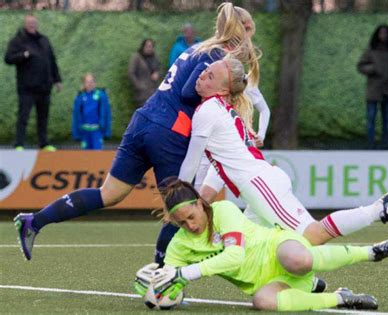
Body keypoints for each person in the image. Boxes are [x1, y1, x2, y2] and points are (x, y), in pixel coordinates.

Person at [13, 3, 261, 264]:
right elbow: (191, 91)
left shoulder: (195, 49)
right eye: (249, 32)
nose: (250, 39)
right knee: (180, 205)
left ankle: (33, 221)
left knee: (108, 194)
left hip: (144, 120)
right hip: (169, 131)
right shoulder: (217, 57)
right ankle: (161, 276)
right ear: (241, 30)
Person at [178, 57, 388, 250]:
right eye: (206, 71)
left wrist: (178, 198)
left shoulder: (208, 110)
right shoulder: (219, 109)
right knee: (241, 248)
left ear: (223, 89)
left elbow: (192, 160)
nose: (202, 75)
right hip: (259, 186)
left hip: (261, 187)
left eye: (210, 76)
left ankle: (379, 209)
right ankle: (309, 285)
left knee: (313, 235)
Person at [134, 179, 388, 311]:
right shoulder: (179, 246)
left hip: (279, 248)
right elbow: (170, 281)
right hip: (266, 282)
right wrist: (158, 288)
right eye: (182, 224)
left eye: (191, 217)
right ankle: (341, 298)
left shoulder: (224, 210)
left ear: (199, 203)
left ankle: (371, 253)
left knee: (297, 259)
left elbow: (235, 257)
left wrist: (182, 274)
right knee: (262, 302)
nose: (190, 226)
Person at [4, 14, 62, 152]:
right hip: (27, 88)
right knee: (23, 117)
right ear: (25, 24)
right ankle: (19, 143)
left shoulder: (44, 40)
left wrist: (57, 80)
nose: (32, 25)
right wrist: (22, 55)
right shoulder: (18, 41)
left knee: (43, 117)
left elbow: (52, 61)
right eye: (29, 23)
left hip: (44, 87)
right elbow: (8, 58)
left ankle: (44, 143)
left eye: (34, 23)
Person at [357, 24, 388, 150]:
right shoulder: (371, 49)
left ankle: (385, 146)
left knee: (387, 120)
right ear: (377, 35)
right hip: (373, 90)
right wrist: (372, 68)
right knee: (371, 119)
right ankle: (370, 146)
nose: (383, 35)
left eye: (386, 33)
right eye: (381, 33)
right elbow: (360, 66)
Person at [72, 73, 112, 150]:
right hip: (85, 132)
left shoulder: (101, 96)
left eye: (92, 81)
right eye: (87, 82)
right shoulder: (80, 97)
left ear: (95, 83)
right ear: (84, 84)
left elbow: (107, 114)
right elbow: (76, 115)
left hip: (97, 131)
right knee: (86, 157)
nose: (89, 84)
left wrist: (107, 131)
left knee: (97, 156)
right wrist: (76, 133)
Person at [128, 39, 160, 107]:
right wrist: (138, 85)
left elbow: (159, 69)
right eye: (147, 46)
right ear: (143, 46)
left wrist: (157, 74)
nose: (149, 48)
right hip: (142, 94)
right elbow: (131, 73)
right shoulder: (137, 57)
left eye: (151, 46)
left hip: (153, 91)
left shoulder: (154, 57)